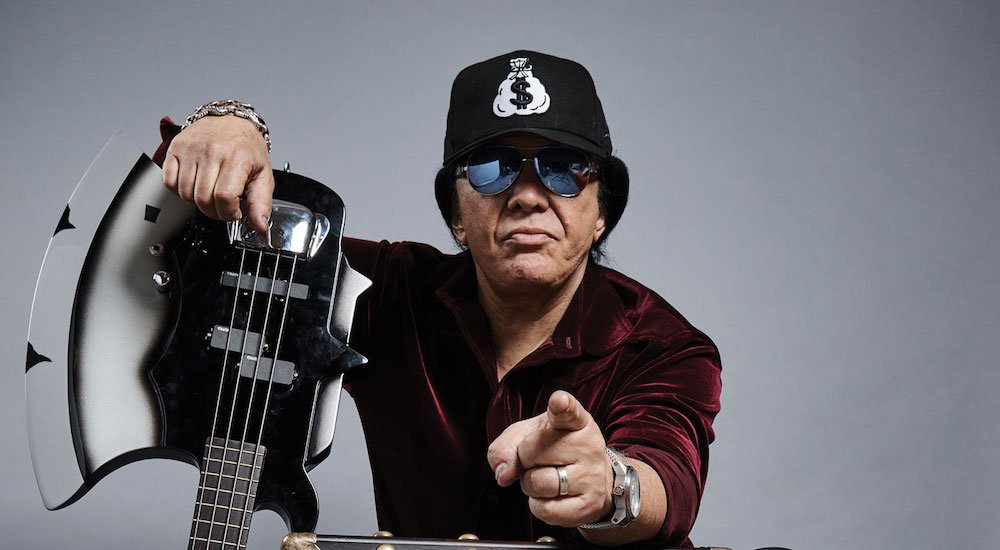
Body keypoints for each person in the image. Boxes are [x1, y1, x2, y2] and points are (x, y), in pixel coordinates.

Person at [156, 50, 721, 547]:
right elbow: (206, 247)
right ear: (456, 218)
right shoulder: (387, 292)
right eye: (493, 169)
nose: (527, 196)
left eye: (564, 170)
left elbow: (669, 479)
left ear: (600, 215)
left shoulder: (665, 346)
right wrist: (227, 130)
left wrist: (611, 486)